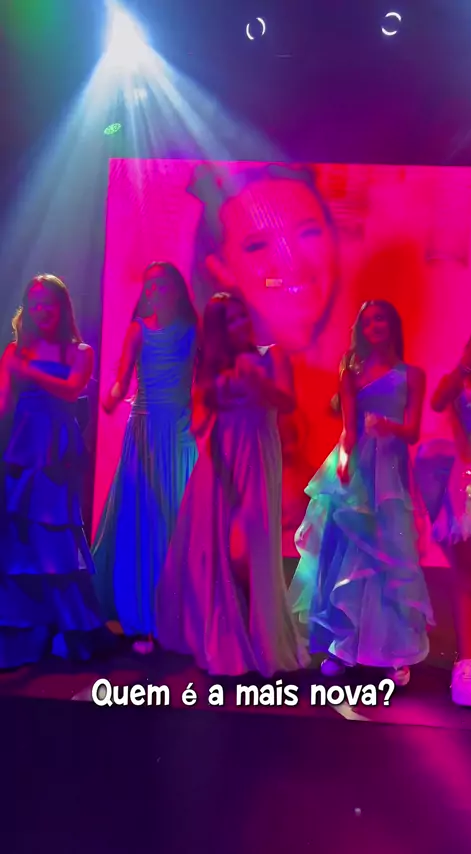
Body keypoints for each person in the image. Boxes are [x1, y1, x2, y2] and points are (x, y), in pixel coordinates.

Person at [188, 163, 341, 554]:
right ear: (220, 268)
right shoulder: (198, 386)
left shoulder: (340, 393)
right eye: (258, 245)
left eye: (308, 233)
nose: (292, 261)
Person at [156, 292, 309, 677]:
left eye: (243, 316)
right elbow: (198, 418)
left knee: (248, 552)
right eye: (230, 321)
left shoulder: (271, 356)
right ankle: (224, 642)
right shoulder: (210, 369)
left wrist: (257, 383)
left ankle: (259, 641)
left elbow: (287, 402)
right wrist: (205, 409)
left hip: (256, 458)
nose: (241, 325)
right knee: (215, 552)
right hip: (218, 464)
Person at [289, 300, 434, 686]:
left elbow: (413, 432)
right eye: (367, 322)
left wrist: (389, 427)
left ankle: (393, 654)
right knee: (347, 553)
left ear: (393, 324)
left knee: (390, 555)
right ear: (361, 330)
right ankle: (344, 647)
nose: (375, 326)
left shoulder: (412, 375)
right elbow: (349, 429)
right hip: (358, 468)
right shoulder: (351, 371)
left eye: (380, 318)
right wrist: (343, 462)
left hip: (391, 471)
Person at [0, 274, 107, 669]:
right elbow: (4, 403)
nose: (41, 310)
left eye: (49, 302)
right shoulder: (15, 351)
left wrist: (28, 371)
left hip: (58, 449)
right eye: (35, 303)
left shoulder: (81, 351)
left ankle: (71, 628)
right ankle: (29, 632)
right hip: (23, 447)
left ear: (63, 307)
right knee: (23, 538)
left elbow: (71, 389)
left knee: (56, 533)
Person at [93, 262, 198, 654]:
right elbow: (123, 379)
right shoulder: (139, 329)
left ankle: (177, 618)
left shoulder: (192, 330)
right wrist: (112, 396)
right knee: (144, 523)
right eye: (149, 286)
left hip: (180, 434)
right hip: (145, 433)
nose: (155, 292)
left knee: (175, 523)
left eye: (162, 285)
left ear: (177, 290)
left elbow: (205, 377)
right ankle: (142, 621)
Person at [425, 325, 471, 706]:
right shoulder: (461, 382)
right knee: (467, 575)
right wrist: (465, 366)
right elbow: (437, 401)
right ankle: (466, 665)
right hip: (470, 482)